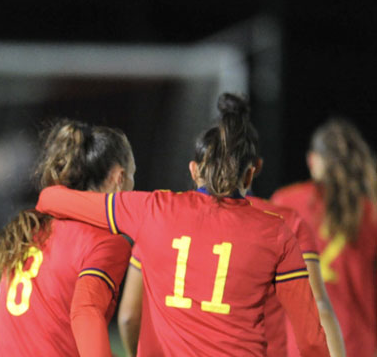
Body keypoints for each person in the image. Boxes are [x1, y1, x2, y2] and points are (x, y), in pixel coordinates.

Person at [35, 93, 330, 356]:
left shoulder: (155, 209)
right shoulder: (278, 230)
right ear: (250, 175)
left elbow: (51, 198)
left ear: (193, 170)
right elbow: (311, 339)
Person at [119, 132, 345, 357]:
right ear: (251, 171)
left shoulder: (160, 216)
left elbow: (128, 317)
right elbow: (318, 306)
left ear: (195, 170)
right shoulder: (282, 221)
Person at [0, 120, 134, 357]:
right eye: (132, 176)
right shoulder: (105, 243)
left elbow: (50, 334)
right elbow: (87, 315)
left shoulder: (31, 226)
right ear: (119, 177)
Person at [272, 118, 377, 357]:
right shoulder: (370, 211)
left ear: (313, 160)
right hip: (358, 344)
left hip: (301, 345)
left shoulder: (285, 203)